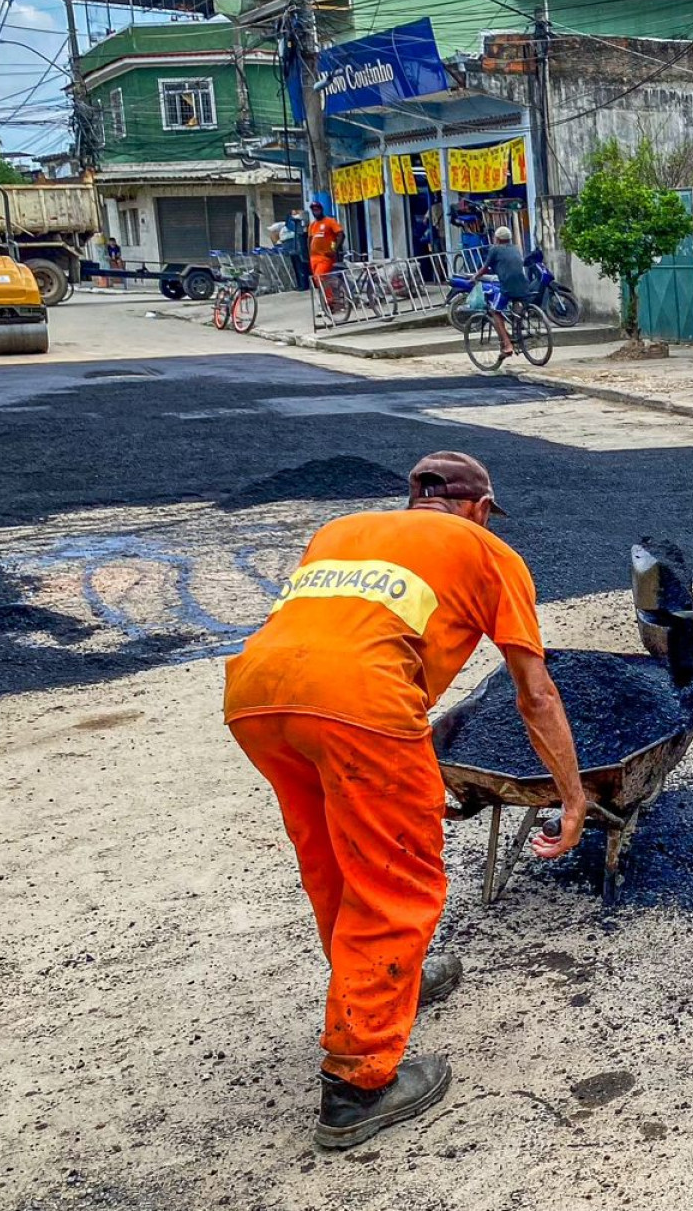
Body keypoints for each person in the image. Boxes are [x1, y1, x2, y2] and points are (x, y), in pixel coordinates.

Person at [224, 451, 587, 1149]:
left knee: (335, 861)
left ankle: (385, 986)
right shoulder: (487, 549)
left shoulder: (341, 532)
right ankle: (358, 1084)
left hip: (257, 696)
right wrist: (570, 795)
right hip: (362, 704)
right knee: (394, 880)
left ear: (413, 500)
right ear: (481, 508)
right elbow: (536, 693)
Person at [477, 226, 534, 360]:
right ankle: (517, 329)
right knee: (516, 306)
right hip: (523, 285)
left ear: (497, 239)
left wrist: (474, 277)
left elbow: (485, 268)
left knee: (495, 312)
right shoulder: (515, 248)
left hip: (507, 286)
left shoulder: (495, 250)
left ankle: (508, 345)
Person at [306, 201, 344, 305]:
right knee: (317, 280)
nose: (315, 212)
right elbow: (309, 239)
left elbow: (340, 235)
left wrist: (334, 250)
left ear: (321, 210)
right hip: (314, 257)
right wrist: (310, 253)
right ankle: (326, 300)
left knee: (320, 277)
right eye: (313, 210)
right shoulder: (312, 225)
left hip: (325, 257)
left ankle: (329, 301)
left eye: (317, 209)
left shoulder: (330, 221)